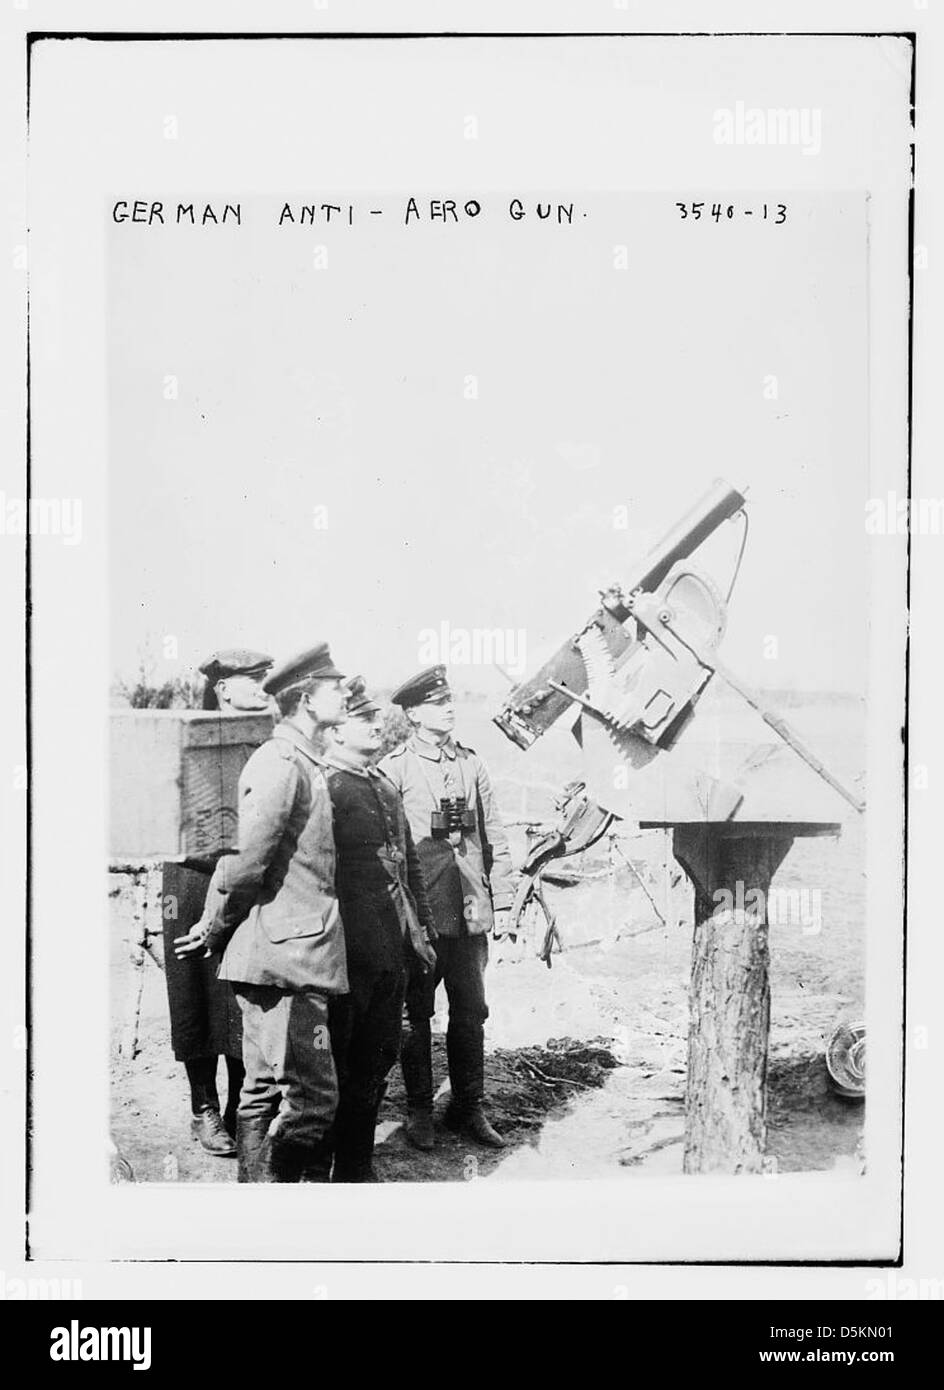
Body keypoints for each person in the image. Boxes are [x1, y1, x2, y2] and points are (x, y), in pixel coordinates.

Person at [175, 643, 349, 1182]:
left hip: (289, 947)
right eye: (334, 687)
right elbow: (245, 861)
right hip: (286, 954)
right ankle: (279, 1210)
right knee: (312, 1098)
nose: (344, 693)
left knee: (261, 1087)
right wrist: (212, 923)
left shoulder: (303, 759)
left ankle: (254, 1200)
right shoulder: (281, 762)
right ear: (305, 699)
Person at [380, 665, 515, 1150]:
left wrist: (502, 898)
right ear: (414, 713)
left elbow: (492, 834)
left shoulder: (471, 764)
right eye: (438, 703)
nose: (450, 708)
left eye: (451, 700)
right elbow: (388, 847)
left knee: (471, 1011)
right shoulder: (394, 768)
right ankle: (419, 1110)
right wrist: (403, 917)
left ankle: (467, 1108)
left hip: (470, 913)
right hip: (423, 915)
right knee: (416, 1012)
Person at [323, 676, 437, 1182]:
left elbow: (410, 867)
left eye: (375, 717)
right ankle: (323, 1166)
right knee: (338, 1063)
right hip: (345, 952)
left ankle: (355, 1165)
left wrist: (425, 932)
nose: (375, 725)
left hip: (392, 947)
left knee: (379, 1054)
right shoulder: (326, 787)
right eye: (362, 718)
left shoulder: (384, 786)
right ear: (334, 731)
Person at [163, 647, 273, 1157]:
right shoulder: (192, 736)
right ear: (224, 688)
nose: (261, 687)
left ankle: (237, 1106)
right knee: (192, 991)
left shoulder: (270, 741)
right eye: (251, 680)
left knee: (240, 991)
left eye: (263, 679)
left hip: (243, 879)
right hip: (190, 877)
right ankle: (202, 1106)